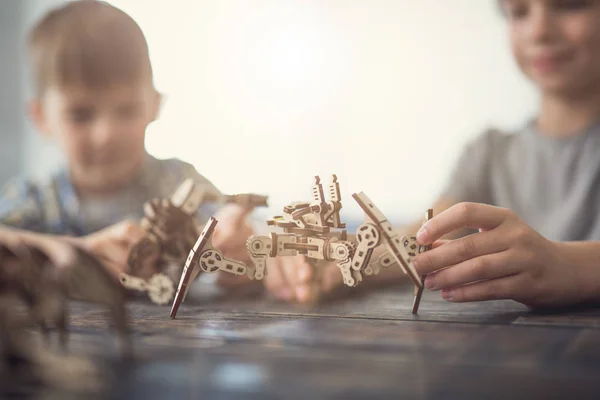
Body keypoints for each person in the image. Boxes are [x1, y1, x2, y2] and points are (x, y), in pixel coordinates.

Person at [266, 0, 600, 308]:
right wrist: (328, 259)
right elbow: (423, 239)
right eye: (519, 12)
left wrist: (569, 266)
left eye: (570, 4)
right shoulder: (489, 152)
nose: (539, 30)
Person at [0, 0, 255, 284]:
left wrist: (240, 242)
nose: (106, 133)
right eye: (81, 115)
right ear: (41, 118)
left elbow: (239, 235)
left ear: (155, 106)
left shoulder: (180, 185)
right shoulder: (34, 199)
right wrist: (78, 252)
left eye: (127, 110)